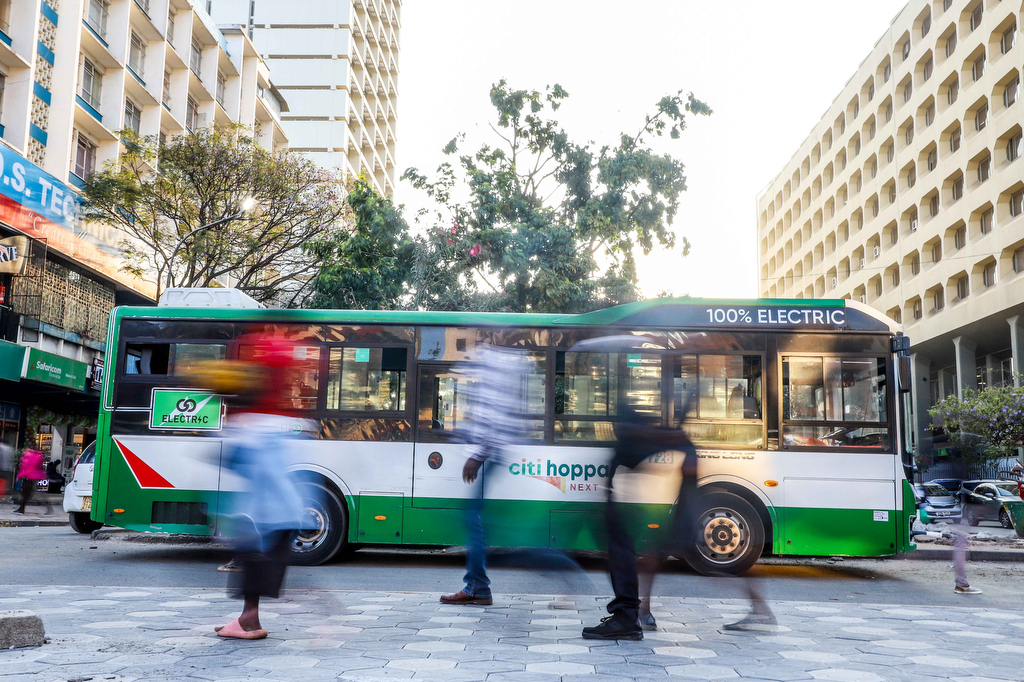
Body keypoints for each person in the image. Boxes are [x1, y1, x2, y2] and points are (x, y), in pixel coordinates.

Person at [440, 344, 584, 606]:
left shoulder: (493, 363)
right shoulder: (504, 361)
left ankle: (479, 586)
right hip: (495, 454)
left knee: (490, 528)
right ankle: (477, 585)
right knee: (479, 522)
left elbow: (491, 415)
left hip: (491, 455)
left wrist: (477, 453)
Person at [200, 336, 314, 640]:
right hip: (286, 511)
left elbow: (233, 459)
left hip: (264, 516)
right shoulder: (278, 420)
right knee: (259, 567)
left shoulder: (248, 423)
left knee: (252, 561)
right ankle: (249, 619)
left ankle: (250, 620)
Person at [583, 404, 697, 640]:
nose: (616, 429)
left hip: (626, 503)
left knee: (619, 547)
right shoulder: (639, 440)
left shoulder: (642, 438)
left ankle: (626, 618)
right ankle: (627, 616)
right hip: (622, 499)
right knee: (617, 544)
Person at [13, 448, 51, 515]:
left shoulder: (28, 456)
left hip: (29, 477)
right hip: (37, 476)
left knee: (25, 494)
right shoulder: (38, 455)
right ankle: (49, 509)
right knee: (39, 494)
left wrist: (19, 475)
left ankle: (21, 509)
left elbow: (26, 467)